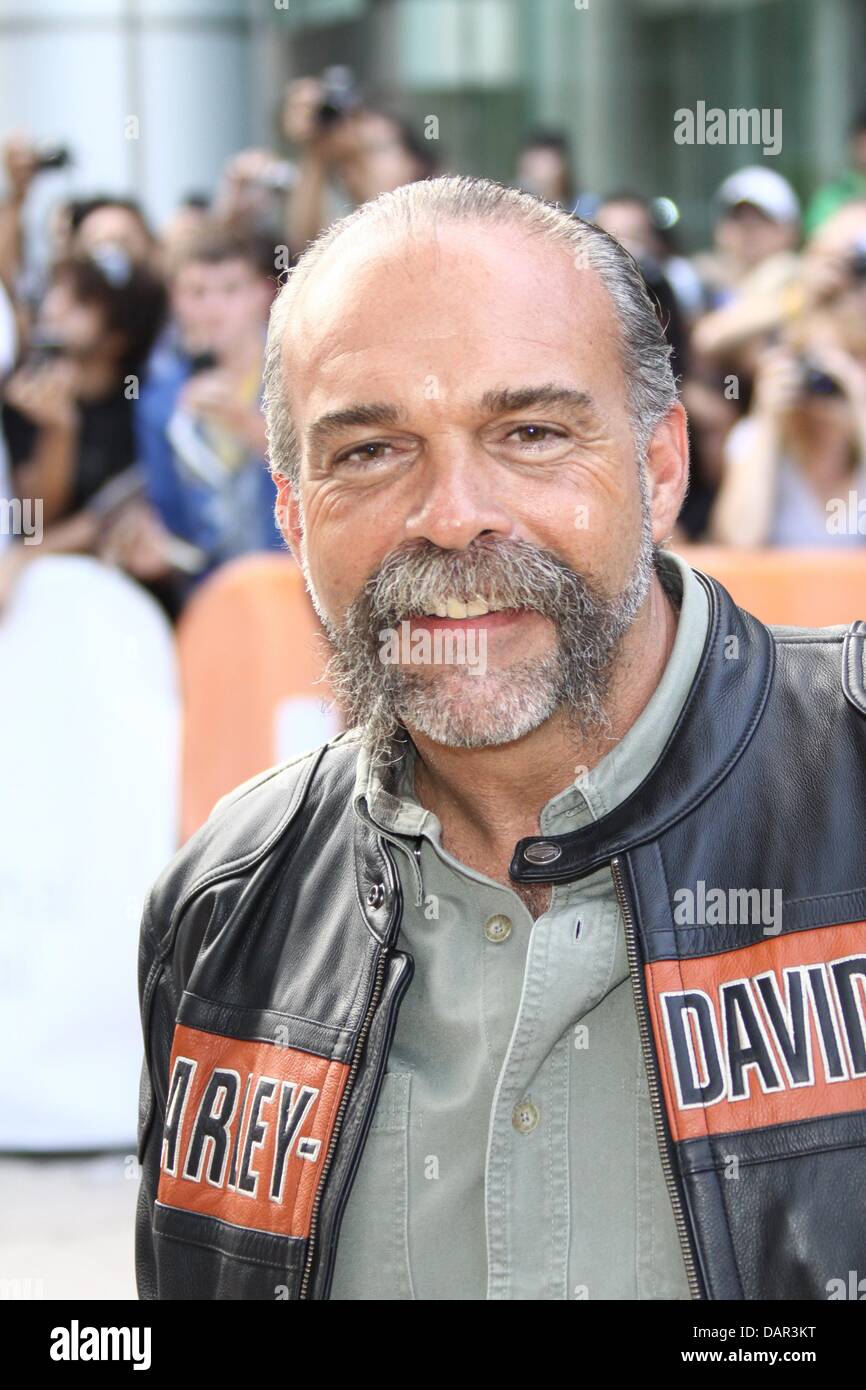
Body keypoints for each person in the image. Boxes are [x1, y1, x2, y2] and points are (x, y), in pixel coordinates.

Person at [135, 176, 866, 1302]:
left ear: (659, 466)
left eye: (528, 432)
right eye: (371, 451)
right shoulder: (225, 906)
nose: (451, 511)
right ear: (290, 511)